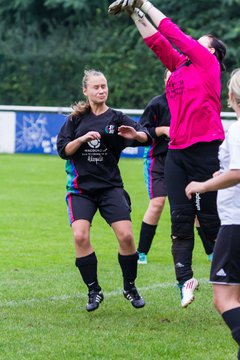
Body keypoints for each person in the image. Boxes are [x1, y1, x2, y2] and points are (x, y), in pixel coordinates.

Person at [108, 0, 226, 308]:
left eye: (201, 43)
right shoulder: (180, 67)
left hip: (205, 150)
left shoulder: (207, 65)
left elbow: (172, 33)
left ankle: (228, 272)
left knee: (210, 219)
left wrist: (144, 2)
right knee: (180, 219)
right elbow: (156, 42)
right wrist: (133, 13)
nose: (195, 43)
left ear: (210, 51)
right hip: (177, 152)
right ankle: (184, 279)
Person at [57, 69, 151, 312]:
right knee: (80, 236)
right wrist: (81, 140)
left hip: (110, 187)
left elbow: (146, 136)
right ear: (85, 91)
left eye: (104, 86)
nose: (101, 90)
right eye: (96, 87)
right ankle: (94, 290)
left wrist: (136, 135)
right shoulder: (75, 120)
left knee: (127, 237)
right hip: (80, 189)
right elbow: (63, 150)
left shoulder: (117, 118)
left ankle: (129, 286)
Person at [185, 68, 240, 359]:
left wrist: (204, 184)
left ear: (231, 97)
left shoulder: (237, 130)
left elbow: (237, 173)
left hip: (235, 224)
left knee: (223, 297)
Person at [137, 70, 215, 265]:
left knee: (194, 205)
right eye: (170, 77)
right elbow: (141, 131)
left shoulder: (193, 103)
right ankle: (141, 253)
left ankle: (212, 252)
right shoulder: (156, 104)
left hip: (187, 161)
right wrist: (163, 130)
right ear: (165, 81)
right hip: (160, 160)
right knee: (157, 203)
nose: (175, 81)